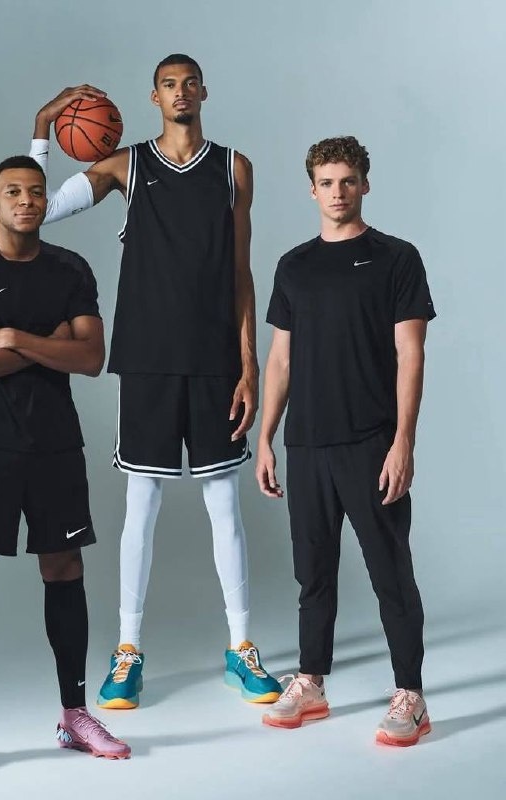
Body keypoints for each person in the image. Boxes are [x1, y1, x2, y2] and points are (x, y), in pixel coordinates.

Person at [29, 54, 281, 709]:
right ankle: (129, 652)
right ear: (153, 97)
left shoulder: (235, 168)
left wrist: (250, 363)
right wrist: (43, 127)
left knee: (224, 506)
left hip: (216, 361)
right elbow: (39, 210)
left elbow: (242, 272)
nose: (179, 92)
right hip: (146, 359)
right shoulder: (127, 165)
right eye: (168, 84)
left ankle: (242, 648)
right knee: (141, 506)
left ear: (204, 91)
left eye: (188, 83)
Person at [0, 155, 130, 780]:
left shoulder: (71, 269)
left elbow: (92, 357)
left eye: (36, 191)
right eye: (13, 192)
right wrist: (52, 345)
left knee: (64, 566)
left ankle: (75, 715)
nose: (26, 200)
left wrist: (15, 338)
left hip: (54, 442)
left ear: (47, 202)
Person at [256, 136, 435, 746]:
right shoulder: (294, 266)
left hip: (370, 441)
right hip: (307, 444)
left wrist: (403, 441)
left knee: (390, 571)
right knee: (313, 573)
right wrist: (266, 437)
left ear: (365, 185)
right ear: (312, 190)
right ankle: (310, 681)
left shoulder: (396, 258)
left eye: (348, 181)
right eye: (327, 183)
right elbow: (281, 360)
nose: (337, 192)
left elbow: (410, 354)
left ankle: (410, 694)